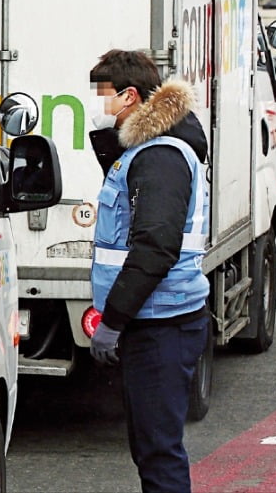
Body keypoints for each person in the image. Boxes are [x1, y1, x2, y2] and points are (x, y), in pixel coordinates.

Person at [88, 49, 210, 493]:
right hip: (156, 320)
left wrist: (113, 320)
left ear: (130, 96)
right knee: (150, 448)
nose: (98, 107)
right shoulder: (147, 149)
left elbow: (155, 247)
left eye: (103, 96)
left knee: (159, 452)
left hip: (162, 324)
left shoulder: (160, 157)